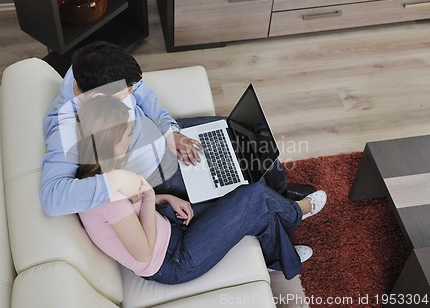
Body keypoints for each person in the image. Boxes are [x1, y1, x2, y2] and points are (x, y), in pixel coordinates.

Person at [41, 41, 315, 217]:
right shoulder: (65, 127)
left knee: (249, 132)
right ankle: (285, 212)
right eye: (126, 91)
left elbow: (145, 96)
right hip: (162, 172)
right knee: (238, 181)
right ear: (100, 99)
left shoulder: (91, 70)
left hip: (166, 137)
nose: (132, 92)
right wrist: (118, 180)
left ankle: (281, 191)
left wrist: (170, 131)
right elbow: (52, 198)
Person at [75, 96, 327, 283]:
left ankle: (279, 259)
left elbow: (134, 206)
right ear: (109, 141)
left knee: (243, 197)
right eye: (127, 135)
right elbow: (143, 253)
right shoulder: (108, 198)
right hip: (172, 259)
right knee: (254, 196)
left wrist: (167, 198)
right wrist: (151, 197)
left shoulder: (101, 174)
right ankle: (296, 211)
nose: (132, 139)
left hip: (167, 222)